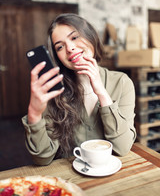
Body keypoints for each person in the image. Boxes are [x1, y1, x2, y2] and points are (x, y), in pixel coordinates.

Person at [22, 13, 136, 166]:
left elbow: (122, 148)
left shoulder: (122, 83)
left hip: (111, 177)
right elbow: (43, 158)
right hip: (68, 180)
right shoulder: (54, 91)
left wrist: (102, 93)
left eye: (74, 37)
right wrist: (34, 113)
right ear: (57, 56)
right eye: (60, 47)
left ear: (90, 36)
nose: (70, 48)